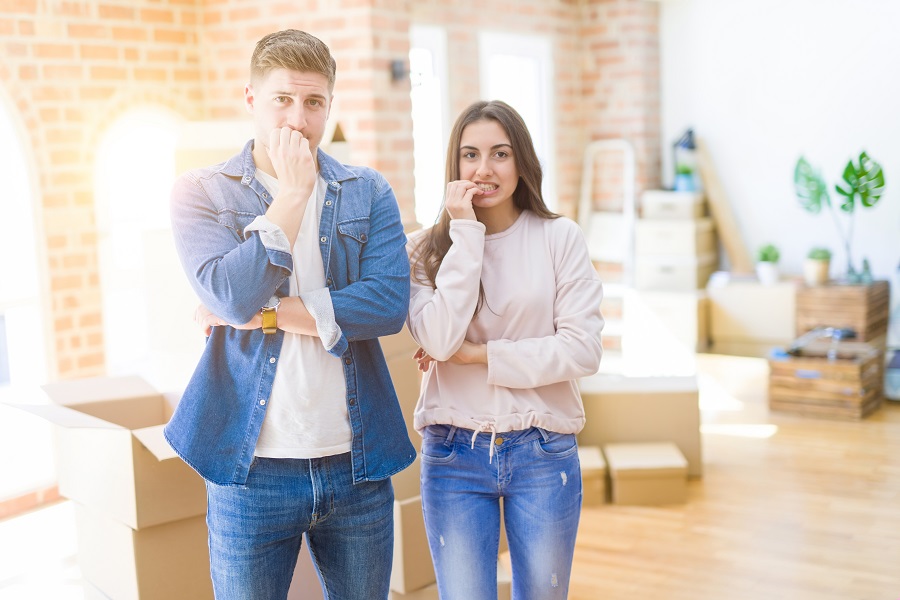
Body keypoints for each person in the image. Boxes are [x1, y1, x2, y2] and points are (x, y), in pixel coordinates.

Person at [165, 29, 415, 600]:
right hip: (250, 469)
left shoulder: (367, 190)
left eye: (314, 102)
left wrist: (270, 314)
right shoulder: (200, 192)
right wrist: (293, 197)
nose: (298, 119)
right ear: (251, 99)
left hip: (356, 463)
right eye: (282, 99)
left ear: (329, 104)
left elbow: (386, 306)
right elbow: (230, 297)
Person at [406, 100, 604, 599]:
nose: (484, 170)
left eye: (500, 154)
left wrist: (481, 357)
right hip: (454, 452)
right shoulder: (424, 251)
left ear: (522, 163)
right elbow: (439, 339)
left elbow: (582, 350)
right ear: (454, 167)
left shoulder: (560, 238)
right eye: (470, 155)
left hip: (542, 447)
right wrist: (465, 229)